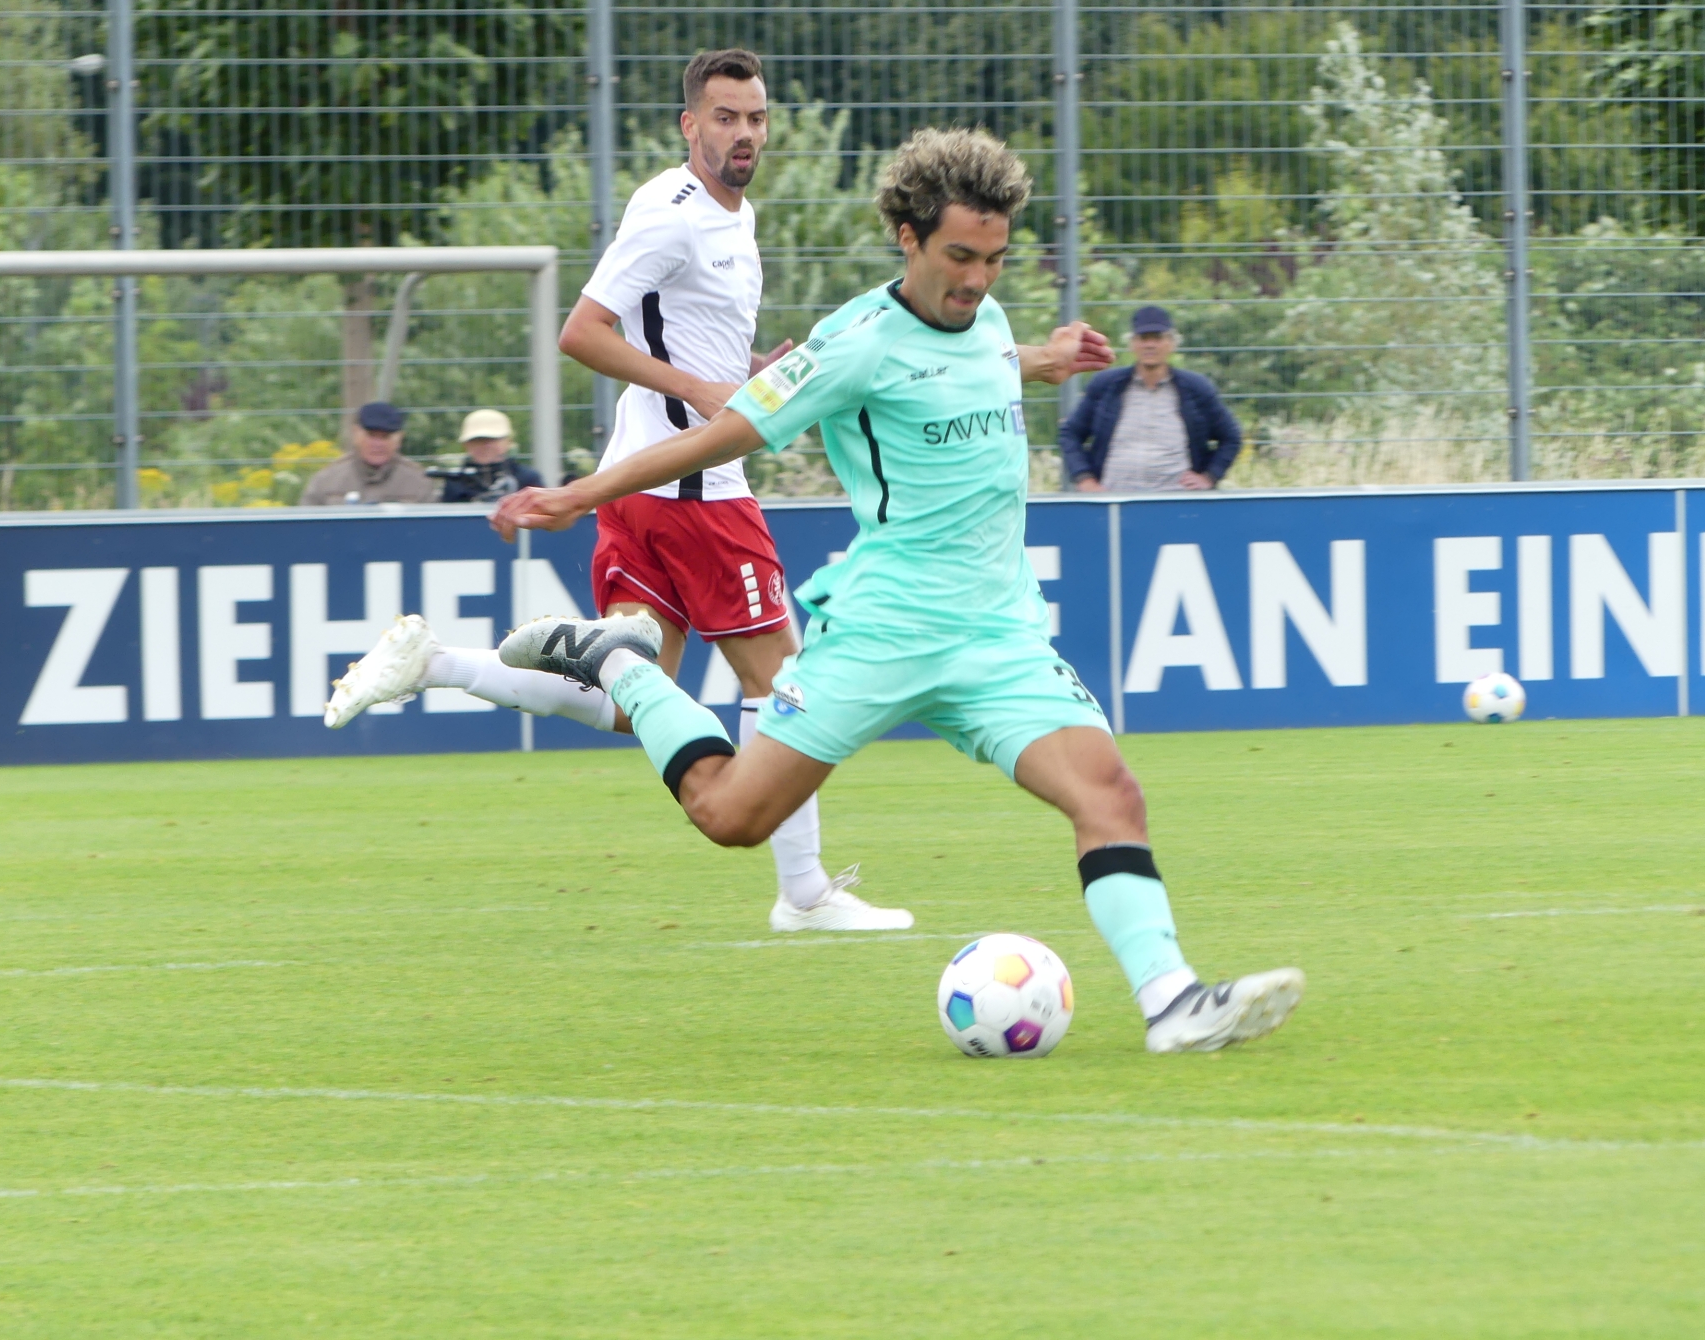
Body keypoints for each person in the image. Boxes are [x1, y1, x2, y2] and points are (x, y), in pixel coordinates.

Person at [482, 128, 1304, 1054]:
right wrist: (580, 495)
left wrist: (1047, 355)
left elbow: (983, 359)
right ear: (908, 238)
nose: (976, 280)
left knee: (1110, 794)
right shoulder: (854, 343)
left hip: (998, 637)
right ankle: (622, 671)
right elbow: (723, 434)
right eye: (959, 257)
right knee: (731, 817)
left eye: (994, 259)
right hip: (882, 632)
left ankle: (1173, 1002)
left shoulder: (985, 321)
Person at [328, 48, 909, 935]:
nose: (744, 133)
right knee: (784, 680)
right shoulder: (670, 214)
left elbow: (687, 341)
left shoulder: (733, 216)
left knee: (626, 700)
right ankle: (803, 895)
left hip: (644, 485)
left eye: (756, 118)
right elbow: (583, 332)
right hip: (693, 489)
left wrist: (751, 370)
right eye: (725, 117)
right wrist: (701, 389)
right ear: (689, 124)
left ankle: (434, 664)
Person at [1059, 305, 1243, 493]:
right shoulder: (1106, 385)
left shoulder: (1196, 388)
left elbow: (1231, 437)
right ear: (1132, 344)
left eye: (1157, 338)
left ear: (1172, 343)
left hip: (1178, 497)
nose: (1150, 345)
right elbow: (1070, 433)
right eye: (1143, 338)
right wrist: (1085, 479)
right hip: (1115, 498)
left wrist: (1209, 477)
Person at [300, 401, 439, 506]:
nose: (377, 444)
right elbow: (306, 528)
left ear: (399, 439)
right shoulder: (326, 481)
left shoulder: (419, 483)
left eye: (385, 437)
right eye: (371, 435)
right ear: (355, 434)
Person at [430, 409, 544, 503]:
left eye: (493, 440)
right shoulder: (455, 482)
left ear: (508, 442)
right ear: (466, 445)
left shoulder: (527, 478)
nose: (486, 446)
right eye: (478, 440)